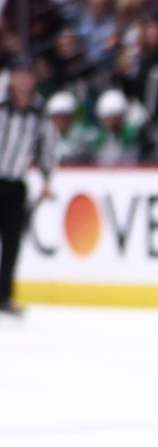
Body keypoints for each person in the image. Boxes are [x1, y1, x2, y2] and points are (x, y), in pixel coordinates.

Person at [1, 60, 58, 318]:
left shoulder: (39, 111)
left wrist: (47, 179)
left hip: (16, 185)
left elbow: (46, 146)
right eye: (19, 76)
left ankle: (4, 296)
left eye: (28, 77)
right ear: (11, 78)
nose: (24, 82)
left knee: (12, 244)